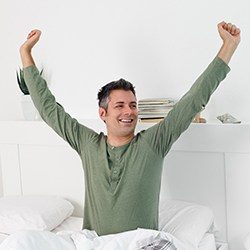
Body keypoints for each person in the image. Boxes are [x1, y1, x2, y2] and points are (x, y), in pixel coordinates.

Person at [19, 21, 240, 236]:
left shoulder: (152, 143)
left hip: (139, 244)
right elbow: (49, 110)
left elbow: (193, 100)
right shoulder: (88, 144)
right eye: (120, 106)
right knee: (23, 240)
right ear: (103, 113)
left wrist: (228, 47)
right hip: (95, 245)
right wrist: (25, 53)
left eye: (133, 105)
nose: (129, 112)